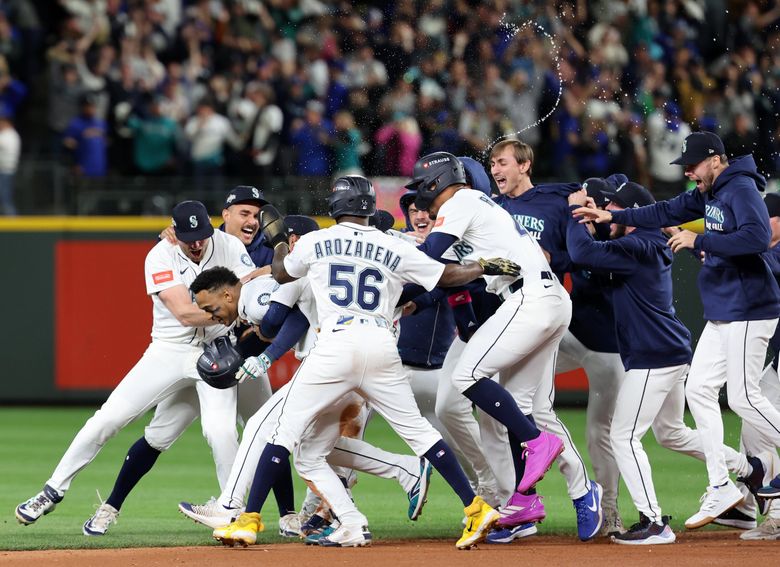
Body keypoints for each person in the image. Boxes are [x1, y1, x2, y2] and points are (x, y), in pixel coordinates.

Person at [212, 175, 522, 549]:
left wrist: (278, 241)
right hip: (381, 344)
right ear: (370, 208)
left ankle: (248, 519)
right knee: (420, 434)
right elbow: (446, 275)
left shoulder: (316, 240)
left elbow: (280, 273)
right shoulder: (392, 243)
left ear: (335, 207)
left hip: (335, 345)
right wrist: (482, 266)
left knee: (283, 433)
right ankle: (475, 508)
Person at [573, 131, 780, 530]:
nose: (688, 172)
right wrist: (614, 217)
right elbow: (663, 211)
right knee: (699, 390)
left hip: (750, 307)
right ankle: (721, 484)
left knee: (743, 398)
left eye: (693, 164)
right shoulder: (710, 192)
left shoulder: (739, 188)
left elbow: (757, 237)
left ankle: (740, 478)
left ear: (716, 160)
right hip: (725, 309)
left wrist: (701, 239)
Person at [15, 201, 254, 535]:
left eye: (202, 234)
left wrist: (246, 299)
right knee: (109, 418)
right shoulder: (160, 255)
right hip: (169, 350)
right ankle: (52, 490)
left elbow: (251, 287)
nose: (197, 243)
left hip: (216, 352)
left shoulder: (228, 245)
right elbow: (184, 314)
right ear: (175, 232)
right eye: (189, 237)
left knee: (221, 431)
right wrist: (231, 312)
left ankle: (232, 512)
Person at [405, 151, 601, 539]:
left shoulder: (461, 200)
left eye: (422, 186)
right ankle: (525, 500)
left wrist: (392, 259)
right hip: (545, 299)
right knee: (519, 406)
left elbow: (428, 258)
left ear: (437, 182)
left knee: (466, 376)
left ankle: (538, 443)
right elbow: (440, 275)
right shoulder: (474, 210)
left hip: (529, 299)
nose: (420, 197)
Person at [486, 139, 609, 540]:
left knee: (533, 411)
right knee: (515, 411)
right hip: (508, 309)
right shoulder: (493, 208)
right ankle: (525, 503)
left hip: (540, 306)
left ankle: (578, 491)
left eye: (502, 162)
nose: (495, 170)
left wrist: (554, 254)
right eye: (492, 164)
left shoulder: (555, 199)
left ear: (525, 164)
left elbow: (579, 250)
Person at [0, 108, 20, 215]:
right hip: (5, 170)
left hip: (5, 171)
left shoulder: (9, 134)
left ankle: (12, 220)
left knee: (5, 199)